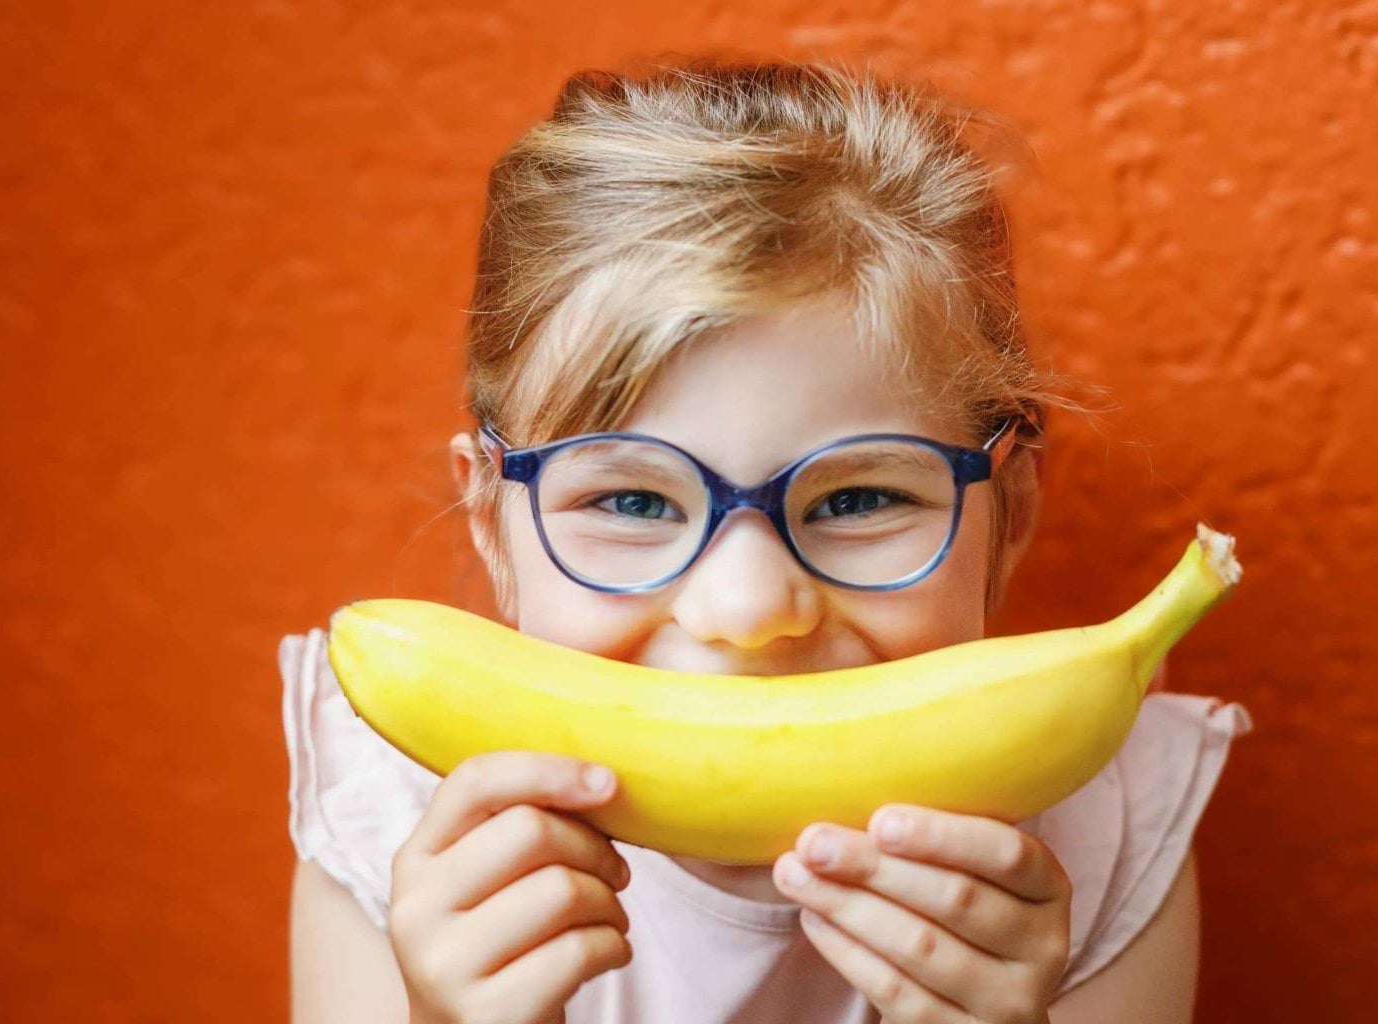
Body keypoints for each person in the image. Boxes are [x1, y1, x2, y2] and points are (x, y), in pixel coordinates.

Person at [280, 56, 1254, 1023]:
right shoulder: (396, 833)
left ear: (1012, 518)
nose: (749, 611)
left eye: (857, 498)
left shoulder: (1100, 836)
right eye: (630, 502)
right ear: (494, 521)